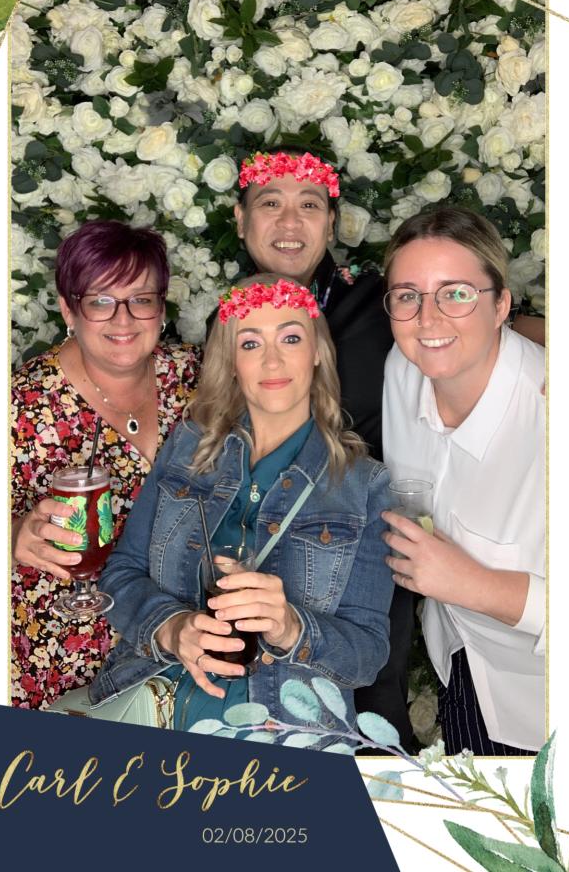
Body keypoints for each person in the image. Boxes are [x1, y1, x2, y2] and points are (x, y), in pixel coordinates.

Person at [89, 276, 393, 744]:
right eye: (251, 343)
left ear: (317, 351)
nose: (272, 360)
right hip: (156, 710)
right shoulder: (188, 447)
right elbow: (121, 574)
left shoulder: (363, 484)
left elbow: (367, 655)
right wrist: (172, 627)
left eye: (290, 338)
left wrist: (291, 627)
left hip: (284, 736)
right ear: (231, 362)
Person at [232, 148, 411, 747]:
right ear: (241, 220)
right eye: (270, 203)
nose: (290, 222)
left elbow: (485, 327)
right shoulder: (230, 320)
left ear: (331, 224)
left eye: (308, 205)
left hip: (364, 552)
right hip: (264, 554)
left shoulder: (383, 302)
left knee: (372, 715)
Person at [11, 220, 199, 709]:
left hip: (173, 643)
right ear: (68, 310)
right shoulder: (19, 403)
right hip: (59, 653)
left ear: (161, 308)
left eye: (141, 299)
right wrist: (11, 536)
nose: (124, 319)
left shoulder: (194, 376)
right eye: (100, 301)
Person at [381, 208, 545, 755]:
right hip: (459, 663)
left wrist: (469, 582)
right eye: (408, 295)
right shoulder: (402, 370)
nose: (427, 319)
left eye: (456, 294)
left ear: (501, 305)